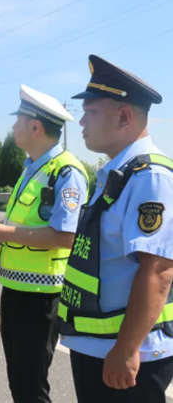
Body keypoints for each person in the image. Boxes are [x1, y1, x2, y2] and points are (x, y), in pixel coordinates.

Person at [58, 55, 173, 402]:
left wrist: (126, 349)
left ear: (123, 116)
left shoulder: (149, 178)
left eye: (91, 112)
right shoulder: (118, 173)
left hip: (128, 352)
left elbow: (158, 271)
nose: (81, 121)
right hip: (99, 343)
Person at [0, 85, 88, 403]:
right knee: (20, 384)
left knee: (31, 387)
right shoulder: (32, 169)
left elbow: (66, 236)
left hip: (42, 295)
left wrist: (3, 233)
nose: (12, 126)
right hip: (16, 290)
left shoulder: (66, 172)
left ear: (35, 126)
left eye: (17, 119)